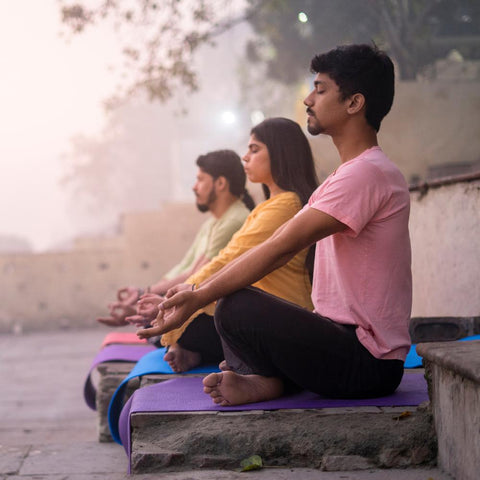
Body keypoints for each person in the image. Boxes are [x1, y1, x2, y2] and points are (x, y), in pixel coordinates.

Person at [142, 44, 412, 406]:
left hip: (368, 362)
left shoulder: (367, 173)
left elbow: (279, 247)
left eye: (320, 89)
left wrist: (199, 296)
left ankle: (266, 379)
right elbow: (258, 250)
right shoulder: (344, 176)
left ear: (354, 103)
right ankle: (268, 379)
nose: (308, 101)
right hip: (342, 343)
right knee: (237, 306)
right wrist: (196, 292)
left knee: (235, 305)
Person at [137, 117, 319, 372]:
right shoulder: (270, 206)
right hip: (268, 312)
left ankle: (199, 350)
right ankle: (199, 353)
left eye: (254, 150)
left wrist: (178, 299)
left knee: (209, 319)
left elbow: (229, 260)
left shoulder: (285, 205)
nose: (245, 157)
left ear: (280, 153)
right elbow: (222, 259)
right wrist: (177, 296)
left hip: (284, 315)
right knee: (180, 320)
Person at [97, 149, 254, 327]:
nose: (194, 186)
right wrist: (144, 299)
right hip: (195, 303)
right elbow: (185, 269)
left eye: (200, 179)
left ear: (220, 183)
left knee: (166, 331)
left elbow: (194, 276)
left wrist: (149, 299)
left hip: (214, 314)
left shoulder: (233, 221)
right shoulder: (212, 224)